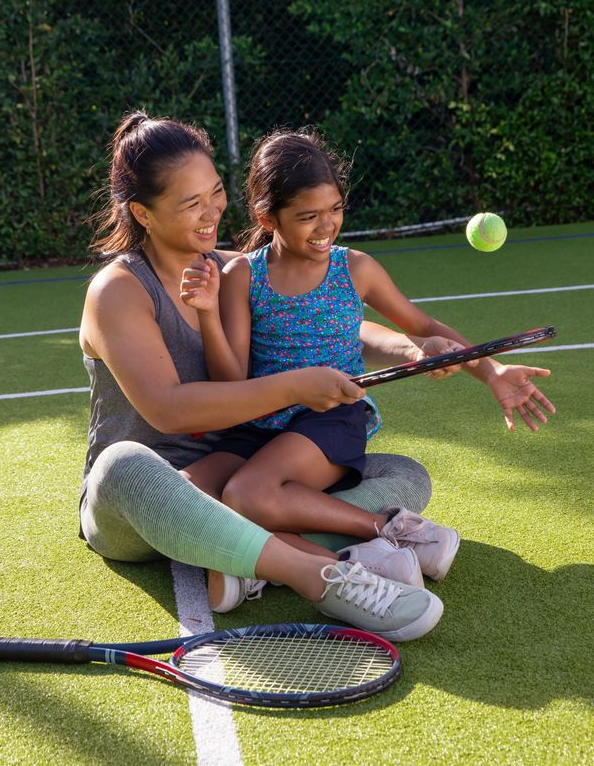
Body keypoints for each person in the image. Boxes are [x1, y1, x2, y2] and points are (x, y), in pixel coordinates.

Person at [78, 112, 555, 640]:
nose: (211, 211)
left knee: (405, 476)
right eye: (190, 203)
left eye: (215, 192)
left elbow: (339, 327)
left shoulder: (234, 269)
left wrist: (412, 347)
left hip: (250, 457)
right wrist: (296, 385)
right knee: (126, 466)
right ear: (143, 212)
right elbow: (168, 409)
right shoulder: (118, 290)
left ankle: (247, 557)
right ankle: (322, 574)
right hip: (147, 497)